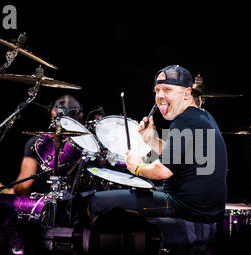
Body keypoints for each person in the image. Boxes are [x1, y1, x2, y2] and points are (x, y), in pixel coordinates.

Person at [88, 65, 228, 223]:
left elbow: (163, 171)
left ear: (187, 94)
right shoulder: (203, 117)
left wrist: (137, 167)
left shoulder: (184, 121)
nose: (160, 95)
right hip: (201, 208)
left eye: (167, 90)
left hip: (185, 207)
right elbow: (179, 157)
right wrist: (152, 140)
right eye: (157, 90)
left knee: (96, 202)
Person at [12, 95, 84, 195]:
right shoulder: (88, 147)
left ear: (53, 113)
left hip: (41, 207)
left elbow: (24, 186)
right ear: (80, 116)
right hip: (77, 207)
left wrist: (15, 190)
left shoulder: (38, 143)